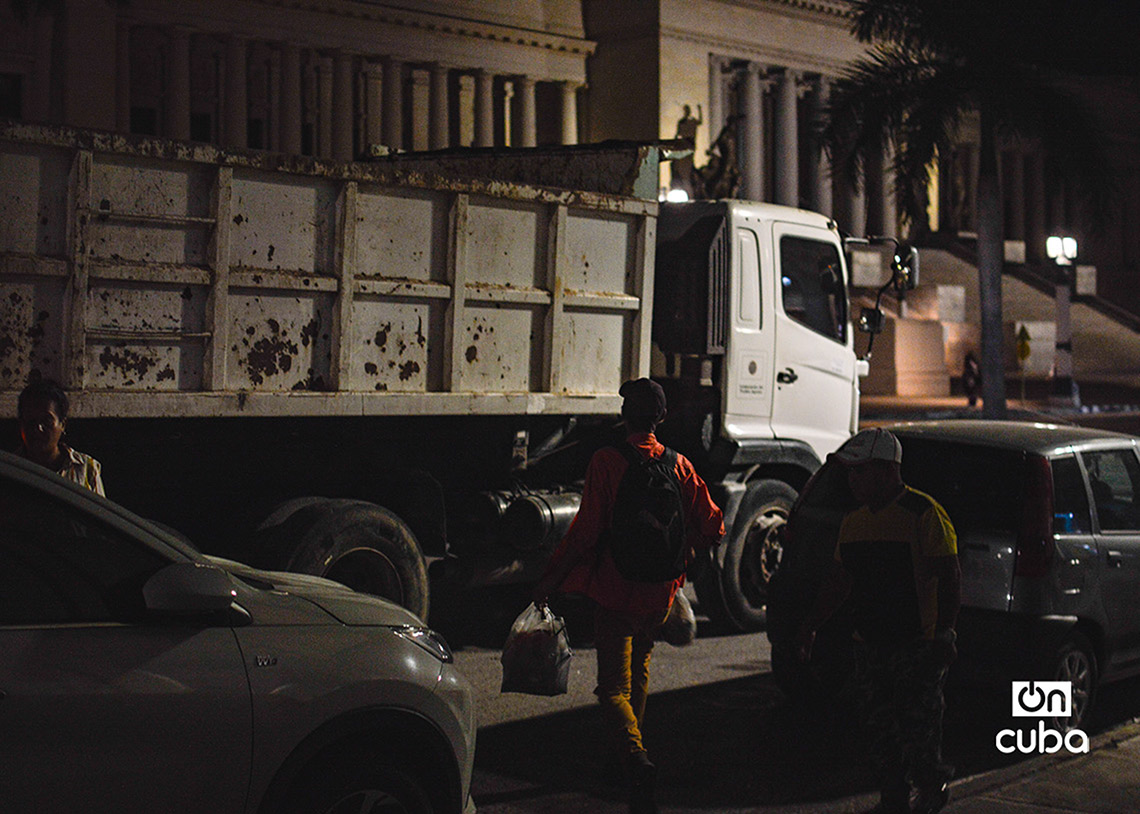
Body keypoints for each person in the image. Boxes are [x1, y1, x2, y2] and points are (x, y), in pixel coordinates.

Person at [533, 378, 724, 814]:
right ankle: (624, 757)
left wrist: (551, 577)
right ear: (661, 418)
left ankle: (635, 760)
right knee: (639, 670)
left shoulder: (607, 461)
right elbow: (714, 525)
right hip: (659, 593)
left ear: (624, 416)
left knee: (612, 688)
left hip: (617, 589)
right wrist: (687, 550)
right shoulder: (680, 464)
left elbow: (586, 530)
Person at [796, 428, 960, 814]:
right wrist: (811, 626)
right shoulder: (853, 522)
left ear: (888, 470)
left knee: (918, 729)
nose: (852, 481)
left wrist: (945, 635)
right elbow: (840, 581)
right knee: (878, 729)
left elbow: (950, 575)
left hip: (915, 644)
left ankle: (931, 787)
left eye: (860, 472)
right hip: (870, 644)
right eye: (851, 474)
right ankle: (894, 797)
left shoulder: (923, 514)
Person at [17, 377, 105, 496]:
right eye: (31, 421)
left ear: (62, 425)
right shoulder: (10, 468)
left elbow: (97, 513)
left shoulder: (86, 468)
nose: (38, 428)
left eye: (47, 421)